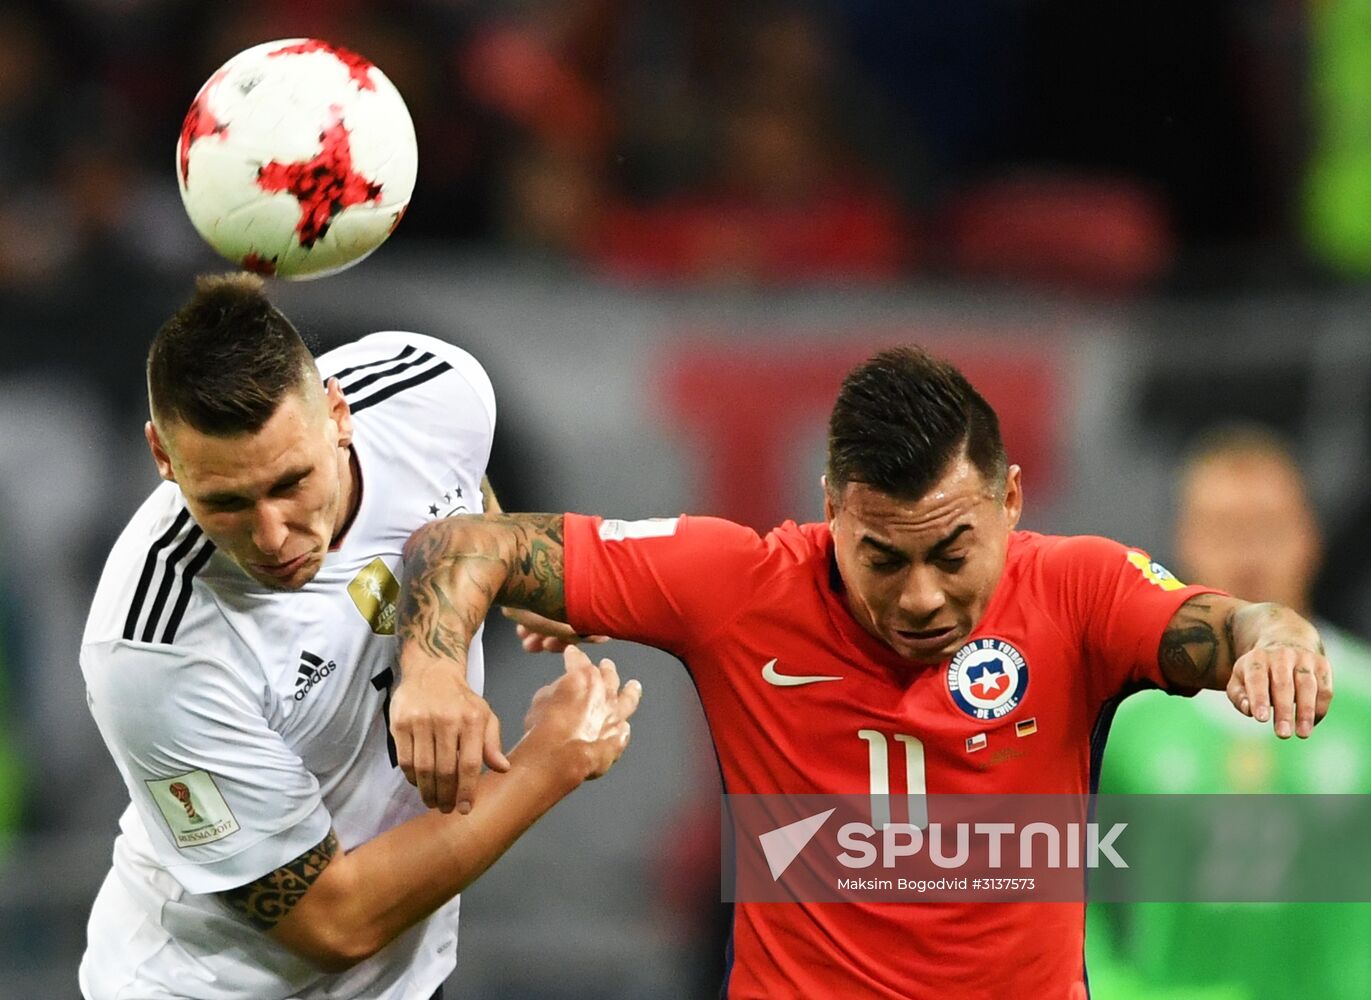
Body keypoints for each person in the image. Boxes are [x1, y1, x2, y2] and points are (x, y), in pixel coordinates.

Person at [388, 346, 1332, 998]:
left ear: (1009, 498)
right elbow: (469, 543)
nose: (920, 597)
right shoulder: (739, 587)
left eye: (952, 552)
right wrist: (433, 671)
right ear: (829, 506)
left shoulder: (1075, 590)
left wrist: (1276, 640)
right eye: (882, 556)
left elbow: (1231, 618)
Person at [78, 273, 641, 1000]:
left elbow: (461, 507)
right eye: (224, 503)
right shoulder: (152, 650)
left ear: (338, 415)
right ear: (163, 457)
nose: (272, 535)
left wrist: (499, 584)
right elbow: (333, 924)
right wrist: (550, 762)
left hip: (406, 979)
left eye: (290, 484)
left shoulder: (432, 389)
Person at [1087, 424, 1371, 1000]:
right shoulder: (1123, 722)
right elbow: (1077, 902)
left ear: (1310, 538)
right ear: (1181, 540)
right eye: (1223, 529)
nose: (1247, 553)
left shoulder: (1367, 698)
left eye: (1267, 529)